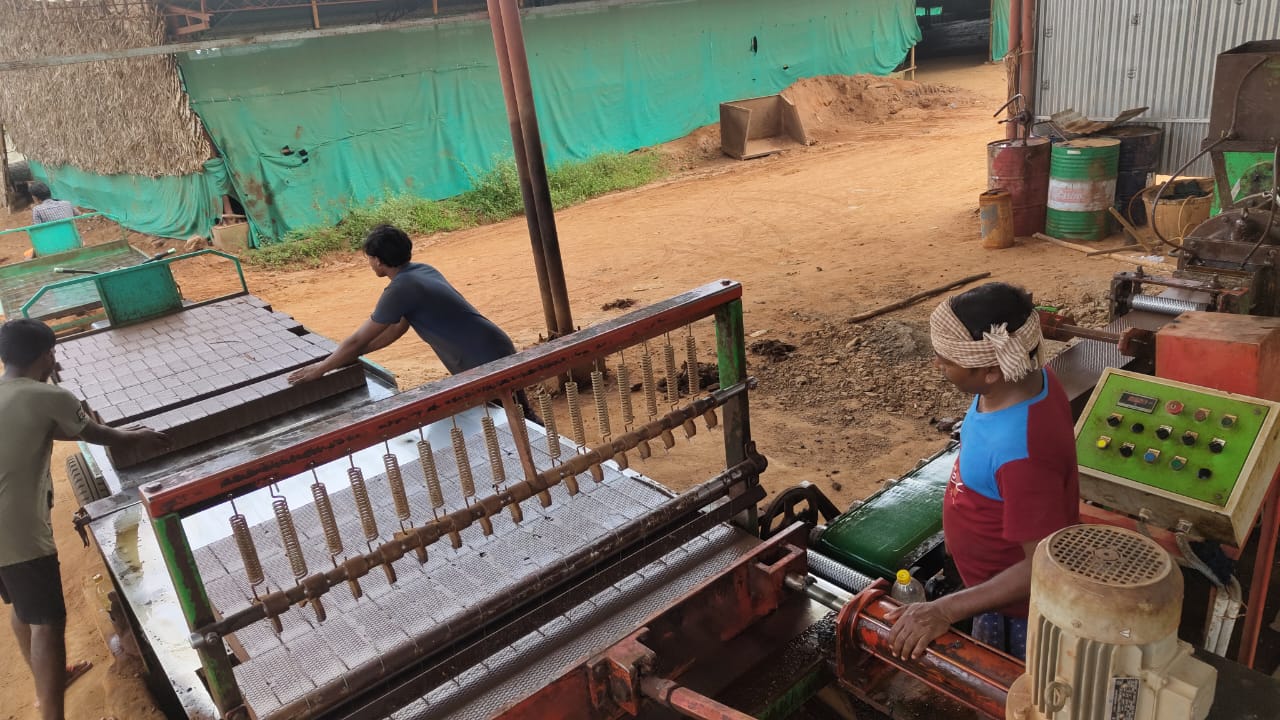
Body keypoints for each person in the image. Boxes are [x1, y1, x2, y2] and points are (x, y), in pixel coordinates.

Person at [886, 282, 1079, 662]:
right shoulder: (1022, 380)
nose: (937, 365)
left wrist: (945, 610)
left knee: (1006, 680)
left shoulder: (1021, 453)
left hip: (1013, 609)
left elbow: (1043, 566)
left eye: (947, 361)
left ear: (991, 370)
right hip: (985, 578)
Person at [0, 319, 169, 720]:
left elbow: (43, 429)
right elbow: (97, 434)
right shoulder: (47, 395)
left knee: (23, 604)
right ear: (47, 355)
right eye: (52, 354)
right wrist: (134, 435)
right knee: (47, 621)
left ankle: (49, 681)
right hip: (15, 531)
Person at [288, 223, 520, 385]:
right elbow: (397, 328)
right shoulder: (422, 270)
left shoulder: (401, 288)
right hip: (493, 345)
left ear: (378, 261)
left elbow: (358, 339)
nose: (369, 263)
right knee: (514, 413)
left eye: (369, 258)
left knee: (506, 416)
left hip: (480, 358)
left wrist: (321, 368)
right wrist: (352, 355)